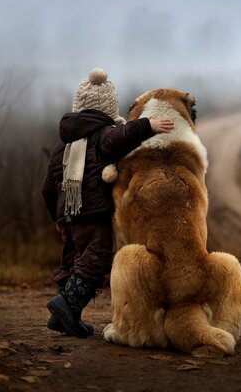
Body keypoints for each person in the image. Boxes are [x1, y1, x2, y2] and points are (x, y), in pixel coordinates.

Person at [42, 68, 174, 337]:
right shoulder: (102, 135)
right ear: (108, 108)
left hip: (68, 215)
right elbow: (121, 137)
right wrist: (149, 126)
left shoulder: (62, 146)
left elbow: (47, 186)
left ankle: (67, 317)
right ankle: (66, 304)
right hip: (93, 213)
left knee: (73, 261)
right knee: (97, 260)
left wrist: (57, 216)